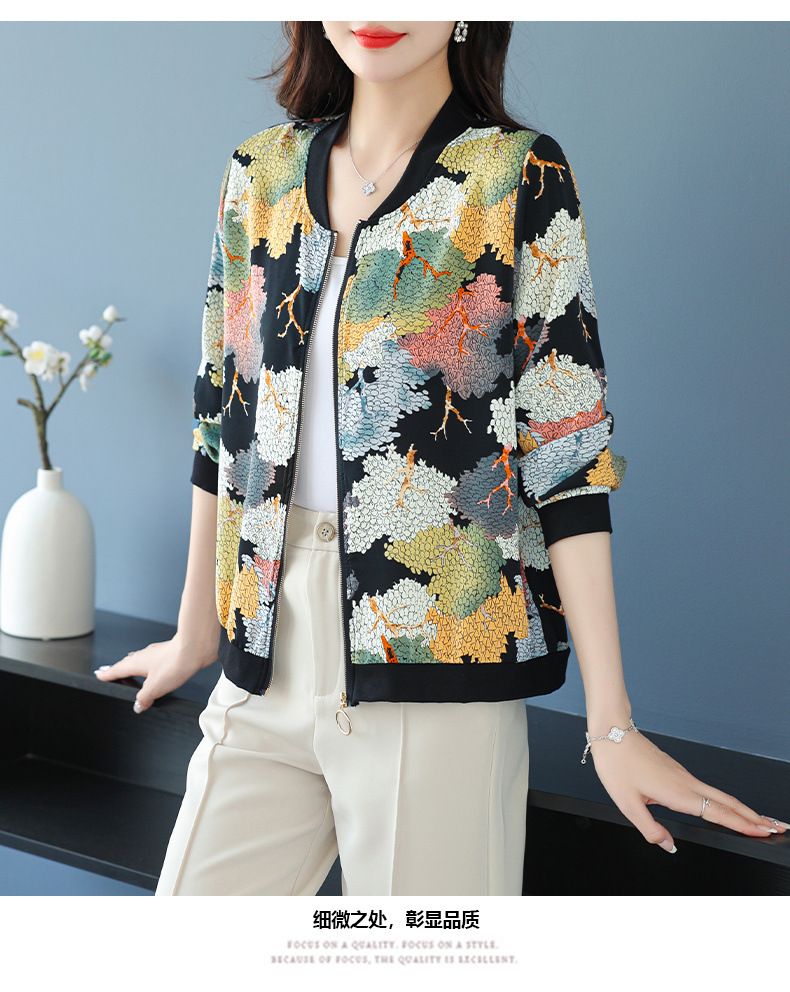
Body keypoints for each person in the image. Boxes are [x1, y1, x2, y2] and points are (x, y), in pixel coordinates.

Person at [94, 21, 787, 896]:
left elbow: (567, 452)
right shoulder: (258, 173)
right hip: (264, 657)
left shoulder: (516, 177)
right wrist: (198, 630)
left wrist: (611, 723)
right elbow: (221, 420)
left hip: (441, 671)